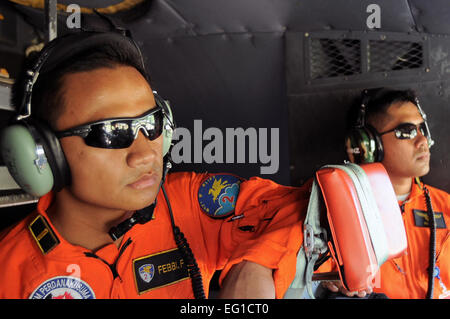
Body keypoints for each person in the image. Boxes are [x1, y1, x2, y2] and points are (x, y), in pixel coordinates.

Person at [0, 29, 310, 299]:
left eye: (152, 123)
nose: (146, 154)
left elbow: (310, 206)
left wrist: (255, 265)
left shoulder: (188, 204)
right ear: (41, 151)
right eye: (112, 132)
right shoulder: (7, 272)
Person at [323, 88, 450, 299]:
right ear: (368, 145)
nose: (422, 141)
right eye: (406, 131)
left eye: (422, 130)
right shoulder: (335, 216)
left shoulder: (445, 206)